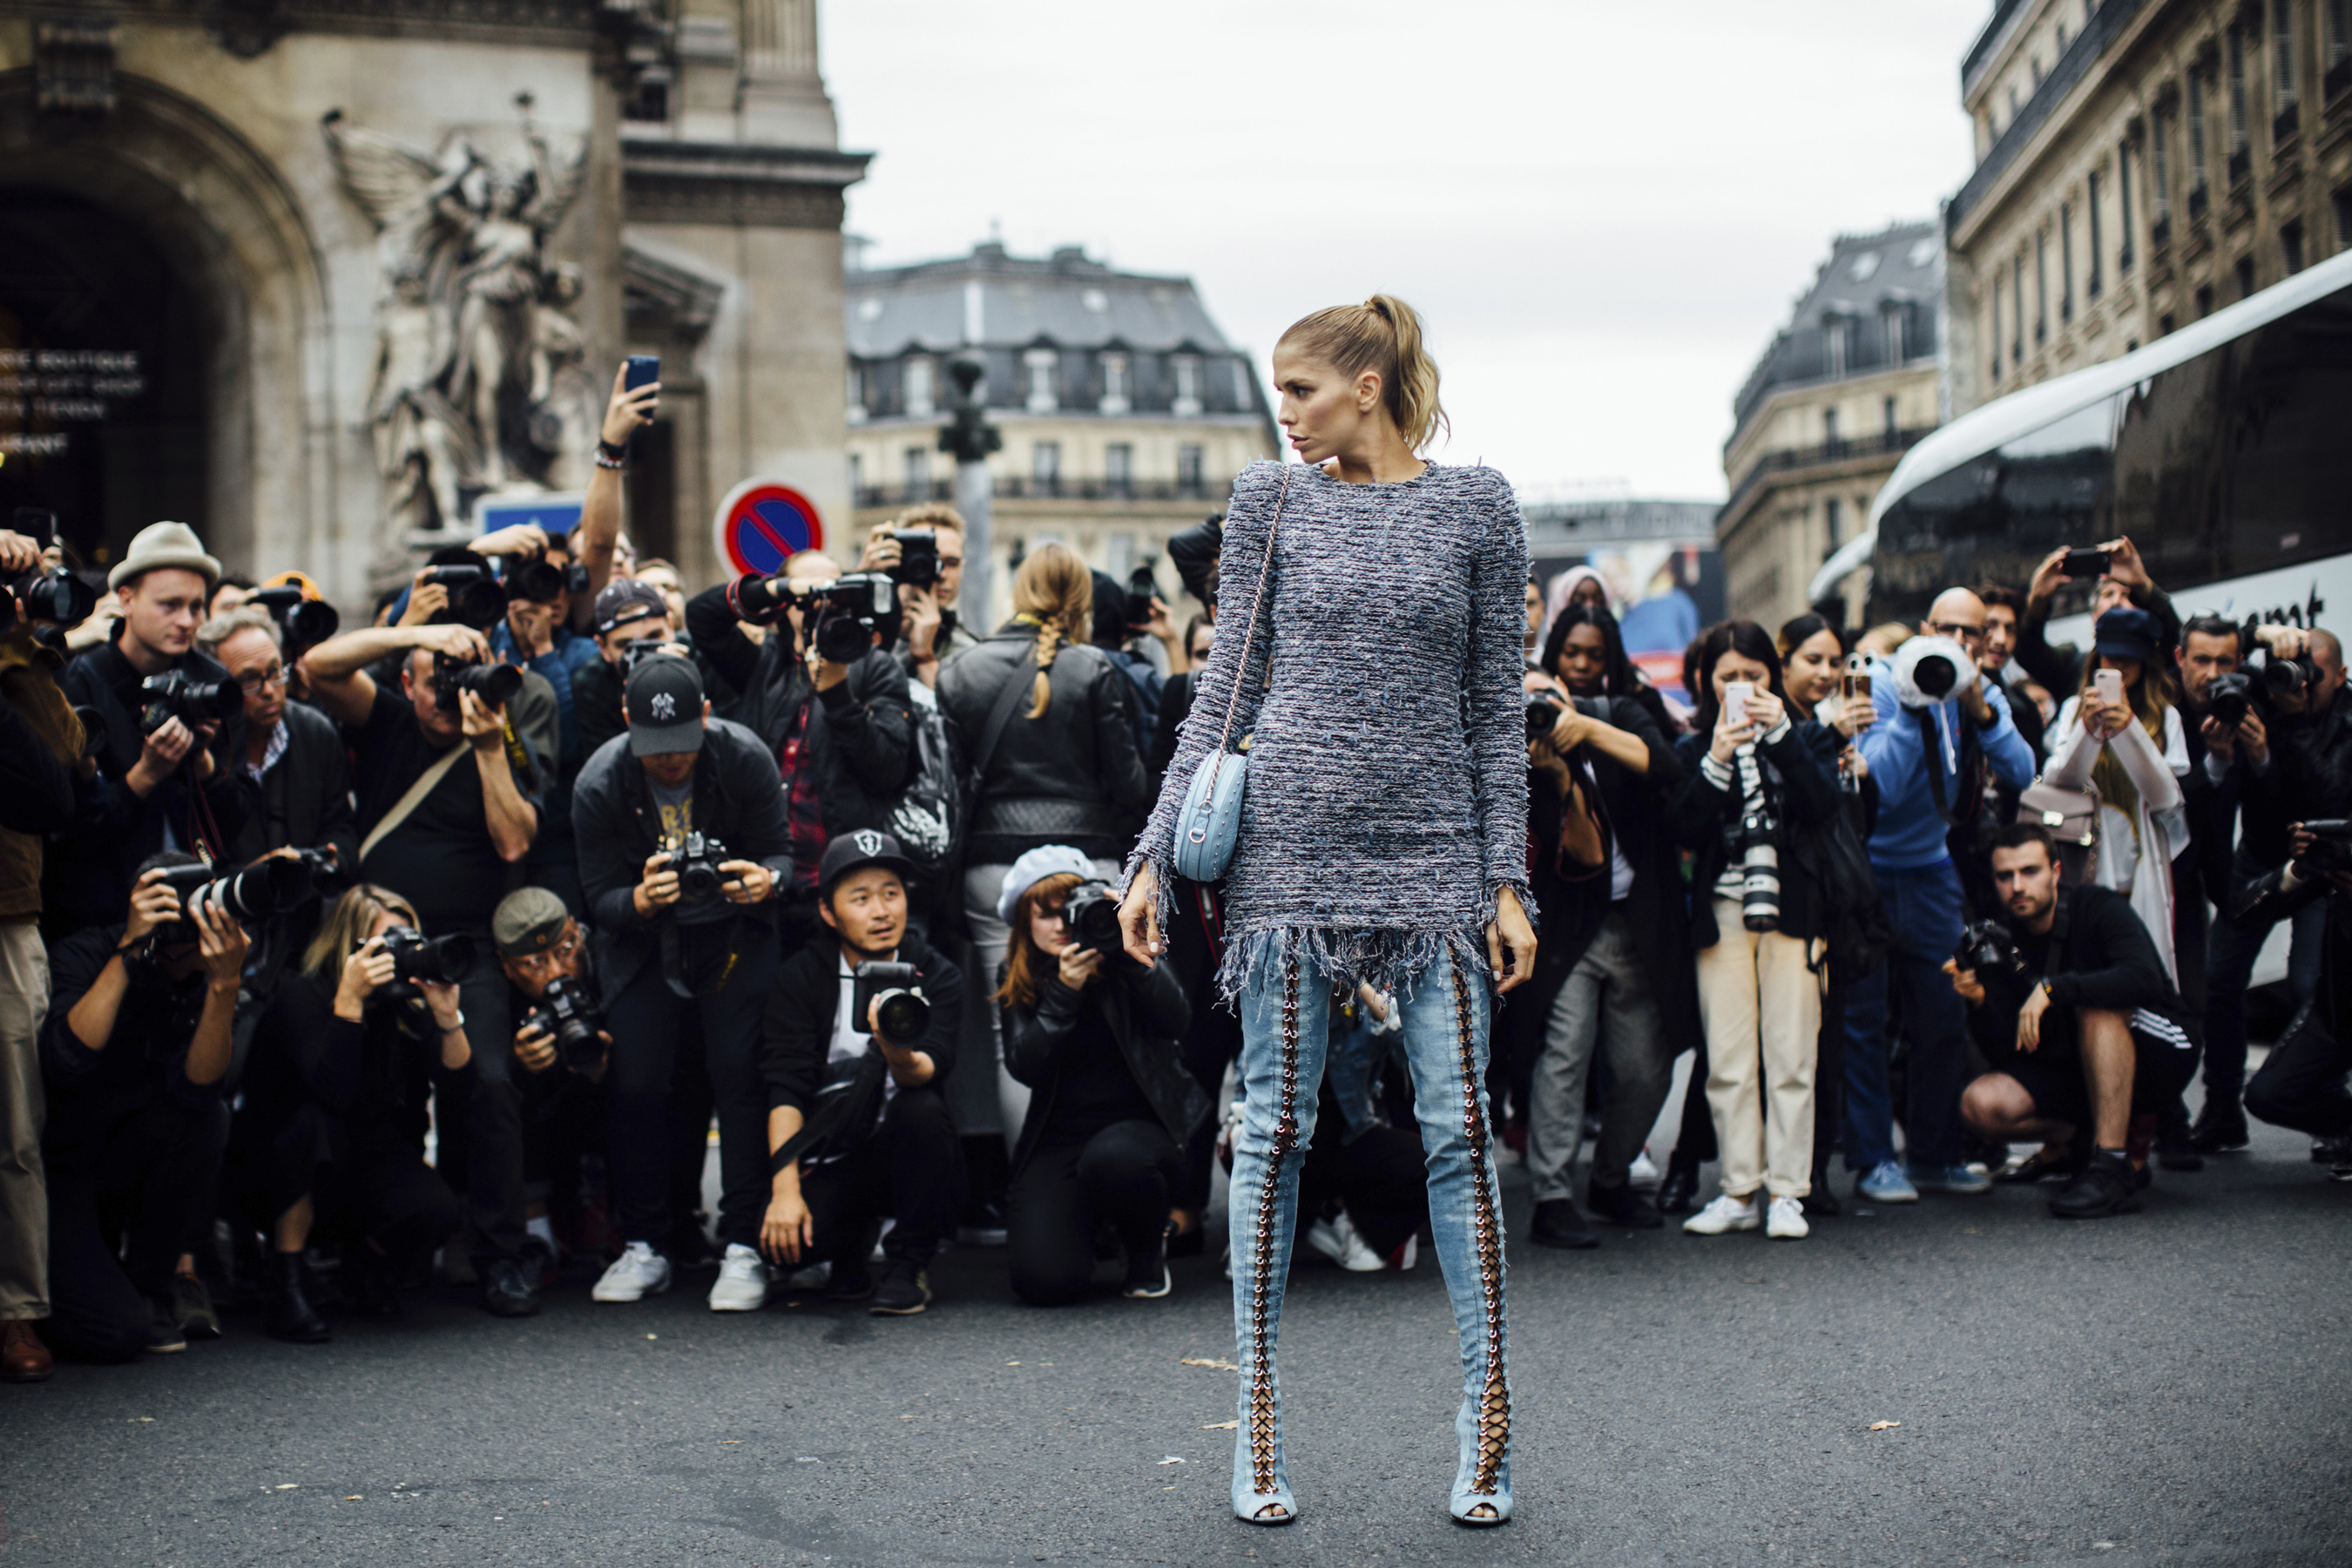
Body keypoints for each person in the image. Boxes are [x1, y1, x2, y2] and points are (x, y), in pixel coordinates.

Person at [1118, 294, 1531, 1527]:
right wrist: (1150, 858)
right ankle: (1254, 1414)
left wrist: (1505, 879)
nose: (1284, 413)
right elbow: (1223, 693)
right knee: (1277, 1130)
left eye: (1300, 389)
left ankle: (1489, 1417)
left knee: (1461, 1132)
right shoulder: (1270, 500)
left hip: (1437, 857)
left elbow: (1493, 712)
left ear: (1367, 383)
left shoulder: (1479, 506)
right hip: (1288, 857)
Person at [298, 615, 543, 1313]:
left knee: (489, 1084)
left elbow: (513, 843)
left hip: (466, 950)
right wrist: (422, 634)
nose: (446, 697)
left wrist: (488, 745)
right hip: (377, 941)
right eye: (435, 683)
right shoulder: (387, 721)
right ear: (408, 682)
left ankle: (500, 1255)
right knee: (378, 1087)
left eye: (460, 682)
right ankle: (379, 1245)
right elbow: (316, 665)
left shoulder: (499, 738)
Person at [571, 655, 791, 1311]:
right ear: (626, 722)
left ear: (707, 716)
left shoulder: (744, 758)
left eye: (682, 743)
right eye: (654, 747)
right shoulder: (601, 782)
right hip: (643, 944)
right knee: (637, 1082)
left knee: (739, 1076)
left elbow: (781, 853)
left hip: (734, 936)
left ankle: (744, 1242)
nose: (670, 759)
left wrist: (767, 882)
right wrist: (638, 901)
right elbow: (598, 899)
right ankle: (645, 1241)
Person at [936, 544, 1151, 1147]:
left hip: (993, 865)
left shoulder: (961, 670)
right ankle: (1104, 1168)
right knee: (1110, 1016)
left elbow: (949, 787)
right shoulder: (1093, 668)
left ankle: (1029, 1179)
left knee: (1011, 1029)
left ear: (1019, 592)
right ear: (1081, 599)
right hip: (1087, 862)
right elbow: (1130, 786)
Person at [1843, 587, 2035, 1205]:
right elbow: (1883, 788)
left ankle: (1934, 1154)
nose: (1957, 642)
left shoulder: (1981, 691)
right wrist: (1912, 708)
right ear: (1926, 629)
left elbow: (2023, 771)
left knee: (1944, 1017)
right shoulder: (1884, 683)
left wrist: (1979, 708)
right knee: (1864, 1023)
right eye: (1947, 629)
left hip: (1932, 874)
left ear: (1982, 641)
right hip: (1869, 872)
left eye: (1970, 633)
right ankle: (1874, 1159)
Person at [230, 884, 477, 1339]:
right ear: (351, 945)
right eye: (391, 944)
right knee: (315, 1126)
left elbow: (461, 1091)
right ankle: (286, 1279)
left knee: (435, 1210)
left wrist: (447, 1017)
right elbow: (332, 1092)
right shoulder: (303, 995)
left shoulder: (403, 1004)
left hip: (363, 1161)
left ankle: (362, 1262)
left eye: (411, 941)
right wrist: (350, 1000)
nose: (404, 955)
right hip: (281, 1170)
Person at [1515, 605, 1689, 1249]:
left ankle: (1611, 1178)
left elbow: (1667, 767)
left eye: (1549, 697)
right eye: (1529, 701)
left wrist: (1585, 728)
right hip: (1570, 926)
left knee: (1645, 1066)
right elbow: (1581, 854)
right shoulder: (1523, 761)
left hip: (1638, 921)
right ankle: (1553, 1196)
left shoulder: (1619, 713)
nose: (1582, 666)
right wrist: (1556, 772)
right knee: (1564, 1056)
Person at [1666, 620, 1846, 1240]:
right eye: (1728, 677)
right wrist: (1717, 757)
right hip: (1722, 911)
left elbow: (1824, 806)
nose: (1741, 686)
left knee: (1793, 1053)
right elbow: (1683, 830)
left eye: (1753, 675)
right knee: (1729, 1058)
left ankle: (1789, 1191)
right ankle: (1740, 1188)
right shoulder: (1694, 747)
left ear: (1774, 676)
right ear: (1706, 683)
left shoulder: (1806, 735)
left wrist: (1782, 736)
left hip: (1795, 909)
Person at [38, 856, 243, 1360]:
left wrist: (224, 984)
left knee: (209, 1119)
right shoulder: (86, 952)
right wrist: (132, 950)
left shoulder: (206, 972)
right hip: (63, 1174)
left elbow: (199, 1093)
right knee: (114, 1334)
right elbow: (66, 1062)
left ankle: (150, 1284)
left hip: (129, 1162)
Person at [759, 832, 964, 1315]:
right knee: (786, 1249)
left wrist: (896, 1049)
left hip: (906, 1149)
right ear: (828, 912)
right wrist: (785, 1193)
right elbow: (786, 1087)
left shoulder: (934, 972)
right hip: (833, 1151)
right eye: (861, 898)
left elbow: (929, 1070)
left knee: (922, 1108)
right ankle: (849, 1245)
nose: (881, 911)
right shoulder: (802, 977)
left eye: (892, 893)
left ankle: (909, 1263)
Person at [1952, 825, 2199, 1216]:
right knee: (1980, 1104)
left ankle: (2113, 1168)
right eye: (2005, 876)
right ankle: (2077, 1142)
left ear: (2055, 871)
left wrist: (2055, 989)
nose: (2017, 886)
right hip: (2078, 1066)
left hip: (2161, 1050)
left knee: (2097, 1004)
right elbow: (2010, 1052)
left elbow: (2145, 979)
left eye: (2029, 871)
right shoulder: (2003, 938)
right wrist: (1981, 1002)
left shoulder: (2096, 906)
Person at [995, 848, 1202, 1305]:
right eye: (1046, 915)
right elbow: (1025, 1068)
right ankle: (1092, 1227)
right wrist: (1063, 994)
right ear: (1024, 925)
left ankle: (1145, 1249)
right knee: (1044, 1282)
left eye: (1071, 910)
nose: (1062, 924)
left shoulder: (1126, 952)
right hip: (1061, 1137)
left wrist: (1133, 954)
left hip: (1142, 1131)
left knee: (1116, 1159)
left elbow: (1177, 1022)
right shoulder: (1020, 975)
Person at [686, 549, 913, 951]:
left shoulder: (875, 666)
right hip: (764, 878)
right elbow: (702, 616)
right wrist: (779, 589)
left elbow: (887, 770)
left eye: (833, 590)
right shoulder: (762, 664)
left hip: (840, 883)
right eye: (809, 595)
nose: (822, 602)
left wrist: (838, 695)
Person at [46, 522, 251, 937]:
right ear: (126, 599)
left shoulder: (213, 683)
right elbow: (67, 835)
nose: (187, 621)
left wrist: (204, 766)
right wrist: (146, 774)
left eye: (196, 607)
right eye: (170, 605)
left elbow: (239, 819)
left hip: (196, 913)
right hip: (100, 920)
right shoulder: (79, 683)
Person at [0, 523, 86, 1382]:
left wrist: (16, 641)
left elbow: (60, 768)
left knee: (16, 1133)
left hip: (5, 910)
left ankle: (17, 1312)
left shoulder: (15, 659)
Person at [2195, 622, 2333, 1153]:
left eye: (2312, 676)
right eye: (2289, 674)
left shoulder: (2342, 720)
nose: (2299, 685)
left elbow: (2322, 797)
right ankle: (2221, 1108)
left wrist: (2287, 733)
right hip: (2258, 855)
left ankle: (2328, 1113)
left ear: (2339, 676)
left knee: (2310, 986)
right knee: (2220, 978)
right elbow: (2219, 635)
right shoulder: (2255, 692)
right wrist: (2261, 632)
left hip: (2320, 865)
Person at [1776, 612, 1879, 1214]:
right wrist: (1828, 734)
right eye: (1812, 660)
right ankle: (1700, 1166)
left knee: (1831, 1042)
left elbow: (1861, 823)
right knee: (1783, 1046)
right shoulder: (1782, 722)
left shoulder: (1837, 729)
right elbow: (1800, 805)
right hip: (1789, 903)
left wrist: (1862, 775)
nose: (1826, 672)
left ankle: (1814, 1171)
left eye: (1835, 662)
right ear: (1784, 660)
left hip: (1838, 904)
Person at [2043, 607, 2190, 983]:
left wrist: (2129, 730)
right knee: (2092, 968)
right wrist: (2088, 731)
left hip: (2142, 863)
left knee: (2143, 969)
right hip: (2087, 862)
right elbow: (2059, 783)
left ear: (2146, 660)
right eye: (2111, 656)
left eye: (2130, 657)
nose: (2120, 665)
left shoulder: (2165, 716)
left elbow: (2166, 798)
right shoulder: (2073, 711)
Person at [490, 887, 612, 1285]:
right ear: (506, 965)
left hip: (600, 1112)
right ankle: (537, 1231)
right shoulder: (497, 998)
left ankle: (613, 1209)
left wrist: (602, 1067)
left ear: (577, 930)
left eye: (565, 950)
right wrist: (520, 1064)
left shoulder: (607, 961)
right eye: (535, 963)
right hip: (543, 1122)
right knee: (504, 1091)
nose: (558, 972)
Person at [194, 606, 360, 876]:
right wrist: (253, 879)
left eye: (275, 671)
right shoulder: (203, 747)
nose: (269, 691)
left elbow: (340, 825)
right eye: (249, 680)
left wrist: (332, 858)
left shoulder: (315, 731)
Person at [2235, 821, 2352, 1174]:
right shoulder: (2341, 860)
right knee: (2269, 1097)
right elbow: (2245, 913)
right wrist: (2299, 868)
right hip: (2336, 1010)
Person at [2017, 537, 2181, 699]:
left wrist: (2143, 585)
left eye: (2127, 595)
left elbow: (2178, 640)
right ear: (2094, 614)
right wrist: (2037, 601)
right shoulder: (2072, 665)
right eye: (2108, 594)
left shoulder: (2153, 664)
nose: (2116, 601)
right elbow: (2030, 654)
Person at [571, 578, 682, 758]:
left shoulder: (697, 656)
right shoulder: (592, 685)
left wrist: (687, 682)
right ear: (603, 648)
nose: (643, 653)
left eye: (654, 636)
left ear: (670, 626)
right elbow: (606, 762)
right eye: (625, 645)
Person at [1977, 585, 2046, 764]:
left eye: (2010, 630)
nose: (2001, 640)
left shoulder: (2025, 709)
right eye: (1990, 626)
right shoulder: (1945, 702)